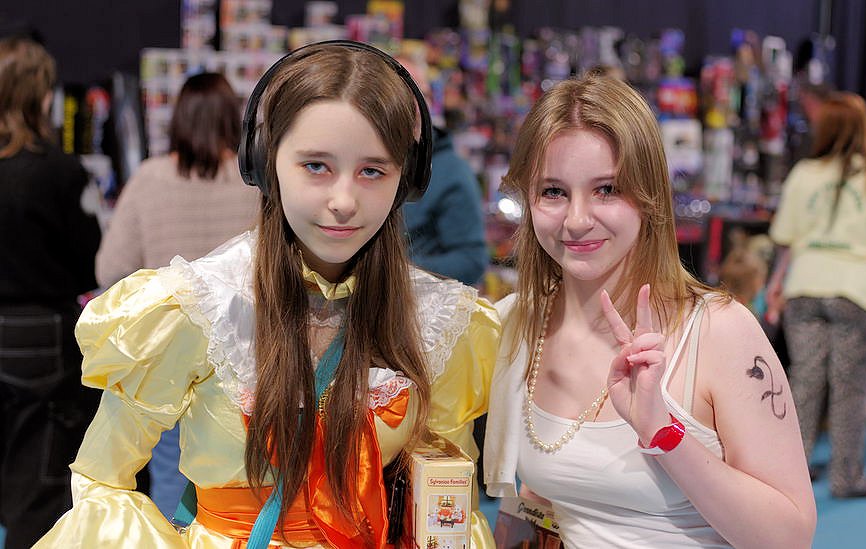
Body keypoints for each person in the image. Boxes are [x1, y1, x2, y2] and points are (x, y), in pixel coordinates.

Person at [36, 40, 498, 548]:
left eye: (373, 170)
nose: (344, 201)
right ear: (265, 161)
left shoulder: (438, 319)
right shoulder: (202, 305)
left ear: (406, 178)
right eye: (316, 166)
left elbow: (449, 498)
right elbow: (102, 479)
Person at [484, 74, 816, 548]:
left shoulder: (719, 331)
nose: (577, 220)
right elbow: (540, 501)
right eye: (553, 191)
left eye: (607, 189)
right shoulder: (518, 323)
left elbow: (789, 537)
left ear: (649, 195)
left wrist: (663, 432)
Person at [94, 71, 259, 517]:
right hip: (244, 356)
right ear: (233, 118)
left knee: (169, 476)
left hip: (167, 353)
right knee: (237, 484)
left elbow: (109, 268)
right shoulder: (256, 184)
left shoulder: (149, 179)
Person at [767, 92, 866, 498]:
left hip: (805, 287)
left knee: (805, 381)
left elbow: (784, 235)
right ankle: (846, 477)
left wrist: (776, 283)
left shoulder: (803, 174)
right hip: (857, 292)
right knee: (851, 389)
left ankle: (792, 470)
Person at [0, 37, 101, 549]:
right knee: (36, 479)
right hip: (40, 335)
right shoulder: (59, 170)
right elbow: (90, 261)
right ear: (42, 97)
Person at [396, 56, 489, 286]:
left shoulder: (452, 171)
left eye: (424, 94)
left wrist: (399, 271)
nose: (417, 104)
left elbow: (472, 261)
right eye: (403, 92)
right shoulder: (361, 161)